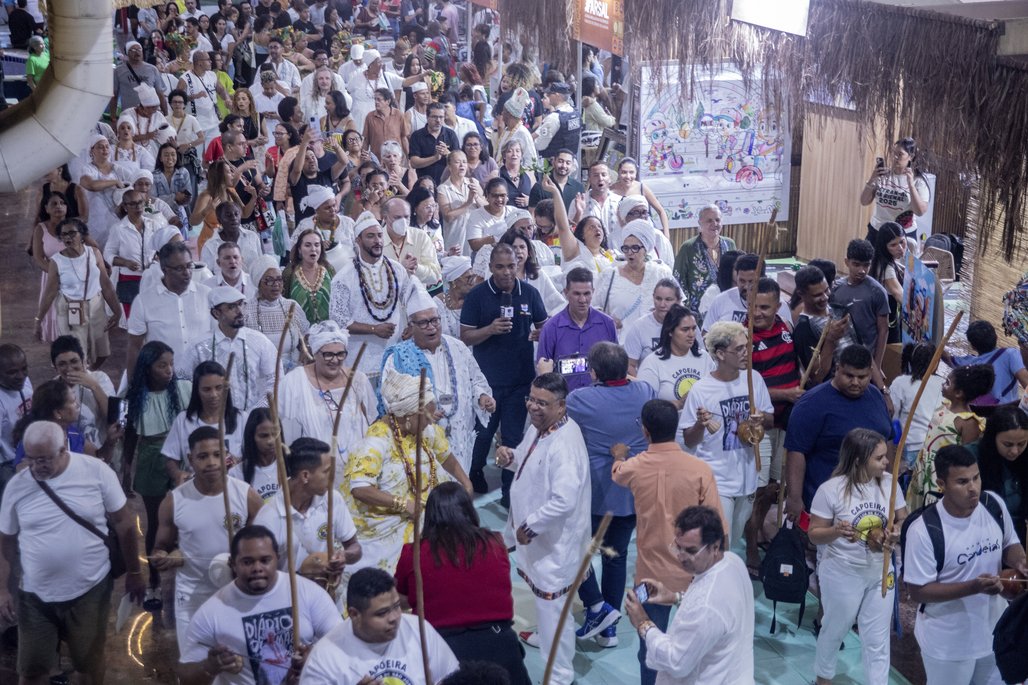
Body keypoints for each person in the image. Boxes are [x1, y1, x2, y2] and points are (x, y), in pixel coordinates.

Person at [0, 422, 145, 685]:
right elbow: (5, 542)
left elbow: (124, 524)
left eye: (44, 459)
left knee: (88, 664)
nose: (36, 467)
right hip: (35, 595)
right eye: (31, 459)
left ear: (64, 448)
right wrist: (2, 590)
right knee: (31, 671)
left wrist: (135, 571)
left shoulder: (96, 471)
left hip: (89, 590)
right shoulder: (17, 486)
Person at [613, 400, 725, 685]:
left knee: (649, 644)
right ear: (676, 428)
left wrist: (618, 456)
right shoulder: (700, 469)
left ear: (645, 431)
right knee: (697, 647)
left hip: (649, 574)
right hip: (693, 575)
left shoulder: (634, 467)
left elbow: (618, 473)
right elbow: (718, 527)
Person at [903, 445, 1028, 685]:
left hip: (994, 633)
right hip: (948, 643)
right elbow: (918, 591)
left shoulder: (993, 504)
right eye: (962, 482)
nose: (973, 488)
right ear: (941, 484)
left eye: (976, 477)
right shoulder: (924, 531)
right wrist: (973, 587)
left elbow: (1009, 543)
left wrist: (1020, 562)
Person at [495, 373, 590, 685]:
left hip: (554, 544)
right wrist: (510, 457)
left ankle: (559, 675)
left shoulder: (565, 444)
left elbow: (564, 500)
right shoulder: (541, 426)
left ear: (561, 406)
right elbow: (528, 459)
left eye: (542, 403)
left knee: (554, 611)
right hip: (539, 541)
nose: (533, 407)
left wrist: (531, 526)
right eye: (531, 399)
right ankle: (546, 639)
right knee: (547, 607)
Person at [560, 343, 654, 648]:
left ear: (594, 372)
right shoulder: (645, 391)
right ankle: (608, 631)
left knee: (576, 550)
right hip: (631, 493)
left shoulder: (579, 399)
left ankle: (596, 606)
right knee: (616, 556)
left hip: (595, 494)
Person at [394, 483, 531, 685]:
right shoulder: (495, 543)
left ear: (430, 515)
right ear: (469, 510)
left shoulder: (413, 553)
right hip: (498, 642)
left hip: (440, 647)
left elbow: (400, 599)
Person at [179, 524, 343, 684]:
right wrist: (209, 667)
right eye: (247, 562)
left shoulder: (307, 592)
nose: (257, 568)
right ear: (232, 564)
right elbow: (185, 677)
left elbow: (342, 642)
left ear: (277, 559)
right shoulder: (211, 612)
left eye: (265, 560)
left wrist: (314, 656)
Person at [344, 371, 471, 573]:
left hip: (430, 513)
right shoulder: (377, 440)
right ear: (408, 416)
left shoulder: (425, 429)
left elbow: (445, 455)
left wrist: (466, 483)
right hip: (391, 521)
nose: (431, 422)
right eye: (427, 417)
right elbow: (360, 488)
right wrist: (404, 505)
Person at [152, 425, 263, 651]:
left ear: (227, 456)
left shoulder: (247, 496)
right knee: (195, 661)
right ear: (190, 460)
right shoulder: (174, 501)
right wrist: (162, 557)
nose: (211, 462)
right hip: (191, 596)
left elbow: (262, 545)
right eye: (203, 457)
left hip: (237, 593)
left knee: (236, 661)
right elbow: (159, 547)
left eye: (217, 455)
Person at [808, 429, 904, 685]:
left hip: (881, 571)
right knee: (835, 629)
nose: (886, 462)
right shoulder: (831, 490)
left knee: (877, 638)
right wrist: (836, 531)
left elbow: (903, 518)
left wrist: (896, 531)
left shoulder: (889, 483)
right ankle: (823, 679)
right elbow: (814, 535)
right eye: (879, 458)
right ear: (859, 460)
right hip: (843, 571)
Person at [623, 505, 755, 685]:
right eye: (678, 547)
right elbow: (719, 613)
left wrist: (643, 623)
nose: (681, 556)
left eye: (691, 551)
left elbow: (676, 661)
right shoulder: (733, 562)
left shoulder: (706, 606)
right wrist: (674, 597)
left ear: (715, 546)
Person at [460, 243, 548, 502]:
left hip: (520, 381)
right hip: (487, 383)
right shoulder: (477, 296)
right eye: (500, 267)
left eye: (511, 266)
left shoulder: (530, 293)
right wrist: (490, 329)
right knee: (483, 435)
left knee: (513, 437)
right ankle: (475, 470)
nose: (507, 272)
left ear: (518, 264)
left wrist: (540, 334)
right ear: (490, 267)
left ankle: (510, 490)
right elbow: (465, 336)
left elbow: (545, 327)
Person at [680, 321, 773, 545]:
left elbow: (770, 420)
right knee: (722, 542)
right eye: (739, 349)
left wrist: (761, 418)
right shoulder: (701, 389)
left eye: (747, 346)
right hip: (717, 480)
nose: (746, 353)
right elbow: (689, 440)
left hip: (747, 476)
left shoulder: (754, 379)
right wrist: (701, 424)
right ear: (720, 354)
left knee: (735, 536)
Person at [381, 302, 494, 474]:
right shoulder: (399, 357)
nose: (431, 327)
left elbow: (475, 379)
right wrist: (419, 415)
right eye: (423, 323)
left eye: (435, 320)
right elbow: (390, 400)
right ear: (411, 326)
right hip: (422, 439)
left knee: (460, 481)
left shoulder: (458, 347)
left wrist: (482, 396)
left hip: (460, 433)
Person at [784, 345, 893, 520]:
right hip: (827, 502)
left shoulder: (876, 396)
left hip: (871, 500)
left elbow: (888, 439)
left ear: (871, 373)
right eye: (849, 376)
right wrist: (794, 497)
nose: (855, 382)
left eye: (862, 377)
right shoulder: (811, 403)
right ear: (837, 369)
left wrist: (890, 483)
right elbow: (796, 451)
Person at [300, 567, 460, 684]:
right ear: (354, 614)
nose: (395, 618)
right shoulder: (324, 658)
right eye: (382, 613)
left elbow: (451, 679)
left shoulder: (419, 630)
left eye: (397, 606)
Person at [254, 438, 362, 599]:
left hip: (329, 598)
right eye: (326, 471)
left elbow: (355, 547)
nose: (332, 477)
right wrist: (304, 576)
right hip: (290, 601)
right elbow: (260, 575)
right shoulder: (267, 519)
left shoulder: (333, 499)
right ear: (305, 475)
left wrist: (344, 557)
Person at [329, 212, 424, 384]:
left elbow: (412, 300)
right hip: (360, 362)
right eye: (370, 236)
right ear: (358, 240)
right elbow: (339, 320)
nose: (377, 241)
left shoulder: (397, 270)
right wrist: (374, 329)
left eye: (379, 235)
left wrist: (413, 325)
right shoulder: (343, 278)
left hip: (396, 357)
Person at [277, 320, 375, 474]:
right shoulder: (294, 382)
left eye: (340, 354)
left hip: (359, 471)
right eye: (328, 354)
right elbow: (287, 434)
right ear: (315, 353)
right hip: (315, 473)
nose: (335, 360)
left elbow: (372, 424)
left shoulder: (359, 380)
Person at [34, 218, 120, 368]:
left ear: (82, 234)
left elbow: (106, 284)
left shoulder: (94, 253)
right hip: (70, 310)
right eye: (64, 234)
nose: (68, 237)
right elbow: (49, 293)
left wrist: (117, 311)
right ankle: (77, 378)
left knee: (103, 352)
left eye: (72, 233)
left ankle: (88, 374)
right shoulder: (56, 261)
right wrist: (38, 320)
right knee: (76, 355)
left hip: (96, 307)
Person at [908, 364, 994, 510]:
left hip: (941, 473)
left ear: (958, 393)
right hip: (923, 465)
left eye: (947, 383)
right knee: (915, 506)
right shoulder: (945, 406)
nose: (943, 384)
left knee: (931, 508)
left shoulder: (967, 422)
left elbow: (967, 457)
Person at [184, 286, 283, 412]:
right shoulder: (199, 347)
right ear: (216, 313)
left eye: (241, 304)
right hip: (213, 419)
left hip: (253, 418)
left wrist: (257, 411)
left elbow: (276, 379)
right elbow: (183, 383)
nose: (240, 311)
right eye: (232, 307)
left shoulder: (259, 341)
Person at [126, 242, 214, 379]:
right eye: (179, 268)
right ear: (164, 269)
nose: (187, 272)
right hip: (163, 380)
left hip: (202, 377)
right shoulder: (144, 301)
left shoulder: (207, 295)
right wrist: (133, 383)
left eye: (189, 266)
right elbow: (134, 347)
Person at [161, 361, 245, 484]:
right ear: (197, 391)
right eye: (207, 389)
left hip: (234, 488)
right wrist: (178, 474)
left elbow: (254, 457)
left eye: (219, 388)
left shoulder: (242, 418)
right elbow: (171, 458)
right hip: (197, 487)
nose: (214, 395)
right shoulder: (183, 420)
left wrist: (238, 462)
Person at [535, 267, 618, 392]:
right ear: (566, 293)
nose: (582, 300)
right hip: (564, 399)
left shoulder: (607, 324)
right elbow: (543, 373)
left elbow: (615, 367)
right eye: (577, 294)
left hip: (600, 398)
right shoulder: (551, 328)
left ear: (593, 292)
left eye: (587, 294)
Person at [595, 221, 672, 336]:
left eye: (635, 248)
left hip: (655, 342)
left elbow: (678, 307)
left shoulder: (661, 273)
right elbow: (594, 308)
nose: (630, 253)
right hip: (619, 343)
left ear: (645, 250)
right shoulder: (609, 275)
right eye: (626, 248)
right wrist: (607, 320)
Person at [830, 239, 890, 385]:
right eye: (856, 264)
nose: (862, 270)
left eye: (866, 265)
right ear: (846, 262)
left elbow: (883, 330)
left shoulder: (877, 291)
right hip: (841, 359)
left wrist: (877, 365)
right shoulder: (836, 288)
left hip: (866, 361)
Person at [637, 304, 712, 410]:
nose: (691, 334)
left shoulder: (704, 358)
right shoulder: (652, 363)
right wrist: (678, 404)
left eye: (694, 328)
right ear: (670, 332)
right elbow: (644, 405)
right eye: (685, 329)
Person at [244, 255, 311, 371]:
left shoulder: (292, 306)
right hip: (261, 371)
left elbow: (305, 335)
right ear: (258, 283)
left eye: (279, 279)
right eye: (269, 280)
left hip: (294, 368)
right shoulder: (247, 311)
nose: (276, 284)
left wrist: (305, 350)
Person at [889, 343, 945, 478]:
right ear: (936, 363)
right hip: (936, 446)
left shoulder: (900, 383)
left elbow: (892, 417)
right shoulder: (944, 383)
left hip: (909, 447)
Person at [974, 406, 1028, 545]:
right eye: (1008, 444)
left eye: (1021, 444)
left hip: (1020, 533)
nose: (1015, 451)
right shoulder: (972, 457)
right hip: (983, 535)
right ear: (993, 438)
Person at [860, 137, 929, 243]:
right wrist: (872, 178)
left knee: (905, 255)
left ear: (910, 157)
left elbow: (920, 211)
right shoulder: (883, 175)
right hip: (877, 230)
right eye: (894, 153)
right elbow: (864, 201)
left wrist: (911, 185)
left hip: (903, 235)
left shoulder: (918, 181)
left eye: (900, 154)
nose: (895, 157)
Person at [672, 205, 736, 317]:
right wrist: (685, 309)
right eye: (709, 220)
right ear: (700, 223)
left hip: (726, 309)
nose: (714, 224)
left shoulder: (730, 244)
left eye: (717, 220)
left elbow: (737, 274)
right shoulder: (688, 248)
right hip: (696, 314)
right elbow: (677, 280)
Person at [701, 253, 791, 333]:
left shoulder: (778, 304)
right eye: (742, 281)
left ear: (763, 278)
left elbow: (788, 336)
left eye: (752, 282)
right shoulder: (720, 300)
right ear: (736, 277)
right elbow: (706, 334)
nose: (746, 287)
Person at [945, 319, 1028, 406]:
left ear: (973, 346)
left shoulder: (968, 364)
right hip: (1010, 411)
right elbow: (1026, 382)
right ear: (996, 337)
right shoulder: (1010, 354)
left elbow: (946, 357)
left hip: (983, 411)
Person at [791, 264, 848, 387]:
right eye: (817, 295)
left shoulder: (840, 310)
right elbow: (817, 376)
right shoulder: (803, 329)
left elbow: (862, 347)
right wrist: (830, 339)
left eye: (826, 290)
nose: (825, 297)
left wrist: (882, 387)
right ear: (801, 294)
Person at [382, 197, 442, 291]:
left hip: (416, 298)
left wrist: (416, 268)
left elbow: (435, 275)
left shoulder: (420, 237)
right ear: (385, 218)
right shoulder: (376, 241)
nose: (403, 221)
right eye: (397, 217)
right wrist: (400, 269)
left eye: (406, 217)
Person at [283, 227, 335, 324]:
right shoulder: (289, 272)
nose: (313, 249)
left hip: (330, 330)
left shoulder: (329, 270)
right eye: (307, 245)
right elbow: (283, 304)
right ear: (299, 249)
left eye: (317, 245)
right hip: (299, 330)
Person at [438, 150, 485, 255]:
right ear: (449, 166)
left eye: (464, 162)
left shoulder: (473, 182)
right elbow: (448, 216)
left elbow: (487, 207)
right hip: (455, 241)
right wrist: (468, 202)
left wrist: (476, 197)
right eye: (457, 162)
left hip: (475, 238)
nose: (462, 165)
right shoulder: (443, 189)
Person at [609, 157, 670, 238]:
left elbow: (661, 211)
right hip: (621, 235)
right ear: (618, 172)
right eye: (624, 172)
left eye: (631, 172)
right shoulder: (610, 190)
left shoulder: (642, 188)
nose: (628, 176)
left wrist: (666, 235)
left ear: (636, 173)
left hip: (645, 233)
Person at [869, 221, 907, 344]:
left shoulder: (883, 260)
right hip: (887, 322)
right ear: (884, 247)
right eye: (893, 245)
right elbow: (900, 295)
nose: (900, 248)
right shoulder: (887, 269)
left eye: (902, 241)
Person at [200, 201, 264, 273]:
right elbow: (206, 274)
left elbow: (262, 264)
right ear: (219, 220)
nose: (234, 218)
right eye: (228, 215)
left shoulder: (252, 237)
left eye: (236, 214)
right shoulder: (210, 246)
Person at [0, 346, 31, 476]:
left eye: (24, 369)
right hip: (8, 464)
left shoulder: (25, 382)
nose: (21, 376)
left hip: (30, 454)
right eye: (12, 372)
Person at [534, 82, 580, 160]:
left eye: (549, 94)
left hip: (554, 162)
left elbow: (539, 145)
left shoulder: (554, 118)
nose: (548, 96)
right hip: (571, 161)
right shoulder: (575, 114)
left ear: (557, 95)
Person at [529, 149, 584, 213]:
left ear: (572, 165)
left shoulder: (578, 187)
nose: (564, 166)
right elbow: (533, 214)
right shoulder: (540, 187)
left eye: (568, 163)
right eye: (560, 161)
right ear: (553, 162)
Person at [497, 139, 534, 209]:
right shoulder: (497, 174)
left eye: (517, 151)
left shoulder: (529, 174)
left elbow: (537, 197)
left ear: (521, 155)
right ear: (504, 155)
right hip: (505, 214)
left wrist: (530, 201)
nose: (514, 154)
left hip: (526, 214)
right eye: (510, 151)